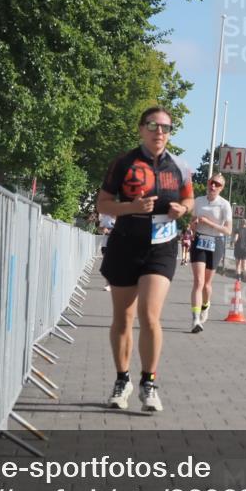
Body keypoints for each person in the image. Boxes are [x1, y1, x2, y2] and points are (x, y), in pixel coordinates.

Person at [96, 107, 193, 412]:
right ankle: (121, 380)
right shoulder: (123, 163)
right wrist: (132, 206)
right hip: (126, 241)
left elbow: (189, 198)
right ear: (141, 129)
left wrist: (183, 209)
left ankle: (148, 383)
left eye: (165, 127)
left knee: (150, 316)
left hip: (161, 245)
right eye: (153, 126)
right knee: (123, 318)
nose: (159, 132)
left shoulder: (180, 166)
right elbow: (103, 204)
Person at [188, 172, 232, 333]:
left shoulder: (224, 205)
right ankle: (195, 319)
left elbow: (228, 230)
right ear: (208, 183)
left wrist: (209, 223)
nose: (213, 186)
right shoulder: (198, 201)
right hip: (200, 240)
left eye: (217, 184)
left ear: (222, 188)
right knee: (198, 282)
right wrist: (194, 224)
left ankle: (206, 305)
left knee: (207, 284)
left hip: (216, 242)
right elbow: (191, 222)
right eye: (212, 183)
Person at [98, 213, 115, 291]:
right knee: (109, 264)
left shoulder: (124, 216)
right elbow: (99, 229)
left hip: (121, 244)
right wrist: (103, 230)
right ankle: (108, 284)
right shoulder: (106, 217)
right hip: (106, 244)